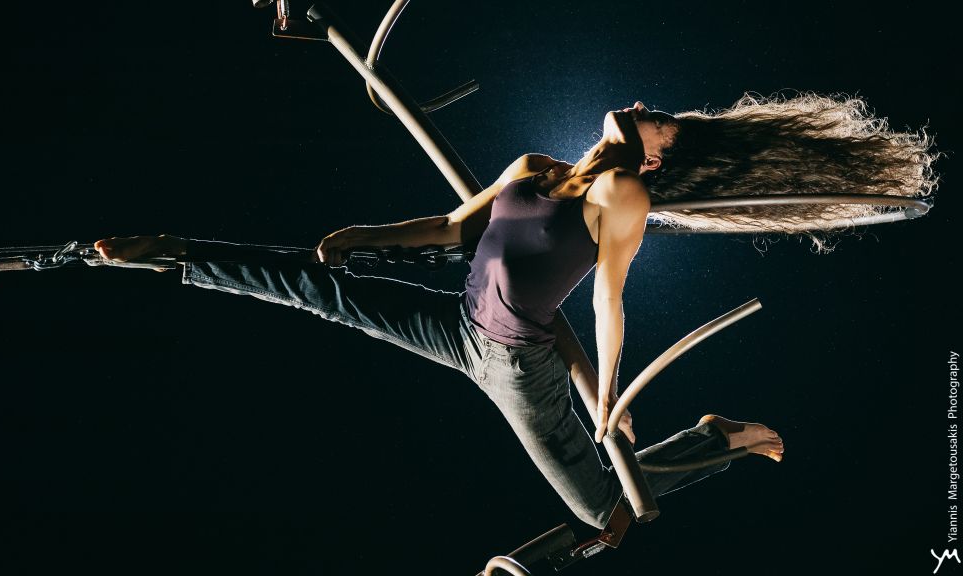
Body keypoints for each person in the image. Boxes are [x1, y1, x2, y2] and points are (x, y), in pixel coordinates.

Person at [93, 92, 937, 529]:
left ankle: (718, 439)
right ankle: (176, 252)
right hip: (458, 325)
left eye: (659, 122)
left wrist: (605, 397)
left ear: (653, 160)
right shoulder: (534, 166)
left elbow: (606, 298)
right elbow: (450, 227)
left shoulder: (623, 195)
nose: (646, 107)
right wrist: (363, 235)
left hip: (519, 370)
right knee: (322, 292)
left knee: (606, 510)